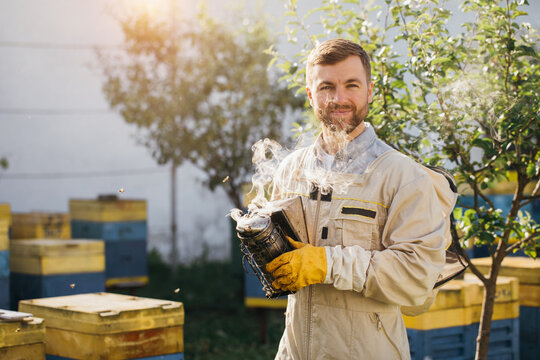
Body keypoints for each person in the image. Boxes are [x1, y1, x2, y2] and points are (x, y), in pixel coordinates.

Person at [265, 39, 457, 360]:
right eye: (326, 87)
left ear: (369, 91)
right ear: (311, 95)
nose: (339, 98)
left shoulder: (402, 176)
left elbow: (416, 279)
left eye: (351, 85)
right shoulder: (291, 170)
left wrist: (327, 264)